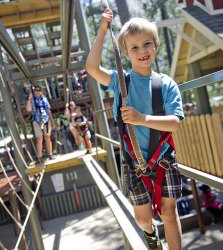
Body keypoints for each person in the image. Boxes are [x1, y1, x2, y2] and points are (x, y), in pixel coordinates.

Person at [86, 8, 184, 250]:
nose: (142, 51)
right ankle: (152, 236)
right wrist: (101, 31)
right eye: (134, 48)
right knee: (142, 218)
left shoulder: (166, 85)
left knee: (169, 213)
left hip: (162, 160)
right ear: (126, 54)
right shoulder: (120, 82)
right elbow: (91, 67)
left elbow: (174, 122)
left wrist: (142, 119)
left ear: (156, 46)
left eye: (147, 44)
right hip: (134, 162)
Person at [26, 86, 55, 161]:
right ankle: (39, 157)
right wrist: (29, 98)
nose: (37, 91)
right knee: (39, 139)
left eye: (39, 90)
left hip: (46, 120)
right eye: (36, 90)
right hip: (36, 120)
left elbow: (48, 110)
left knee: (47, 137)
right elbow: (28, 109)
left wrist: (52, 121)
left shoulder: (44, 99)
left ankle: (50, 154)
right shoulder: (32, 100)